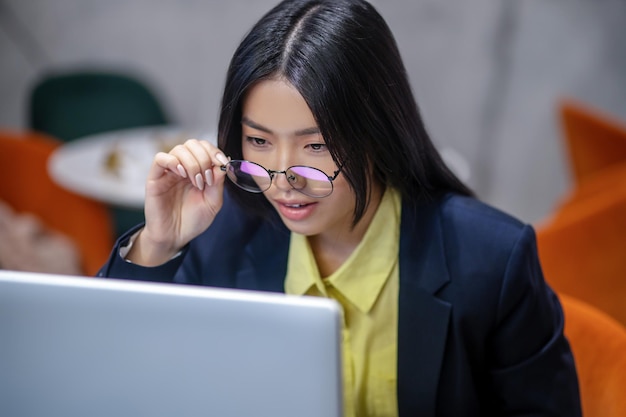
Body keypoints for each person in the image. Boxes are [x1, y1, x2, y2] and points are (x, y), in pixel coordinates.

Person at [98, 0, 582, 415]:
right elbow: (115, 376)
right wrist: (158, 243)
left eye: (316, 147)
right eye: (259, 141)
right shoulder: (222, 237)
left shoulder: (492, 260)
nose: (283, 179)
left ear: (378, 134)